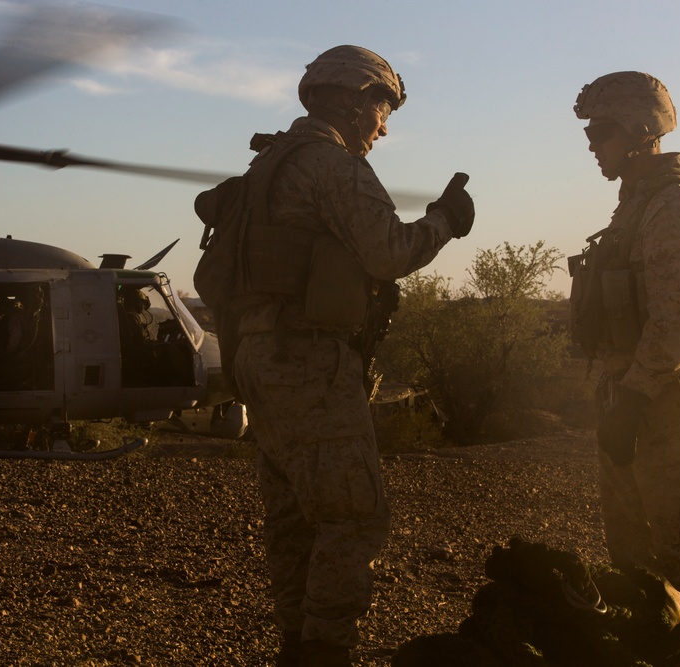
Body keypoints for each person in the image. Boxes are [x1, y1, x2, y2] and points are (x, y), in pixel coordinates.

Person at [223, 45, 475, 667]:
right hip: (310, 362)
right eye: (382, 110)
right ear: (355, 98)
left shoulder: (268, 166)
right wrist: (444, 222)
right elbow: (388, 252)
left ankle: (296, 643)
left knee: (295, 519)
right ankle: (325, 650)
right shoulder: (333, 166)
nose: (383, 127)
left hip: (261, 359)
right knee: (353, 518)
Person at [571, 71, 680, 666]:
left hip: (668, 420)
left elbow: (679, 317)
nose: (593, 143)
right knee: (637, 569)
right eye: (591, 132)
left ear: (642, 132)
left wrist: (638, 397)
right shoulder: (635, 209)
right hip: (633, 409)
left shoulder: (673, 207)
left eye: (603, 130)